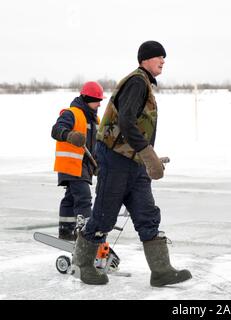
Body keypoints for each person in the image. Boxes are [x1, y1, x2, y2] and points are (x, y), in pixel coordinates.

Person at [71, 41, 192, 286]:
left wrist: (147, 157)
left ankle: (161, 271)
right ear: (145, 59)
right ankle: (84, 265)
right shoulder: (137, 82)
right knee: (104, 216)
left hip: (134, 162)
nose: (163, 61)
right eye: (159, 57)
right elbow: (126, 121)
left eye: (164, 58)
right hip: (116, 160)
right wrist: (149, 154)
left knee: (147, 215)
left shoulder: (144, 84)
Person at [51, 81, 105, 241]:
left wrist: (97, 163)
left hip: (84, 166)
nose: (100, 105)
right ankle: (85, 231)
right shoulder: (71, 113)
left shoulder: (96, 120)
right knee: (83, 197)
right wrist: (69, 135)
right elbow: (56, 130)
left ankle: (66, 231)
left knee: (70, 198)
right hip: (71, 165)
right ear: (88, 98)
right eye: (97, 101)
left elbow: (96, 145)